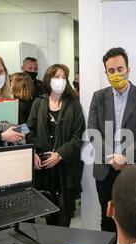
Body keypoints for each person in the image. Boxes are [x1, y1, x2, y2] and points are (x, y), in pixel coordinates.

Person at [88, 47, 136, 236]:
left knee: (133, 219)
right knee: (107, 219)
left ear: (128, 69)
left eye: (120, 69)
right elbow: (92, 131)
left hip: (132, 168)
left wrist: (126, 157)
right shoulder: (99, 97)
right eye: (111, 71)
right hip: (105, 169)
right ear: (106, 73)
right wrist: (112, 157)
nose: (116, 74)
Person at [27, 64, 85, 227]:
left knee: (64, 212)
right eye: (56, 77)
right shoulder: (38, 103)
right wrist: (34, 152)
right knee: (48, 214)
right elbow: (28, 129)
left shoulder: (73, 104)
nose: (60, 80)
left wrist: (59, 155)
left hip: (66, 168)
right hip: (44, 167)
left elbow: (78, 136)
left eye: (64, 77)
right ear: (48, 79)